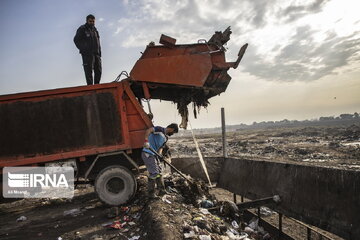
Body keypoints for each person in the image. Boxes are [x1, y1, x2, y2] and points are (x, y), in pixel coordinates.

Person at [142, 123, 178, 198]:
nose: (172, 134)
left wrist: (160, 155)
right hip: (147, 153)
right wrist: (146, 141)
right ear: (171, 129)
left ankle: (162, 191)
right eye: (173, 132)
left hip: (154, 155)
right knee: (154, 173)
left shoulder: (165, 138)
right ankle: (150, 193)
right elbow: (148, 130)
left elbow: (161, 147)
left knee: (159, 172)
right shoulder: (159, 130)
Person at [74, 14, 102, 85]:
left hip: (96, 54)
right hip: (87, 55)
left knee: (98, 71)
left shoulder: (95, 30)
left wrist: (99, 53)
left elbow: (98, 42)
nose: (92, 23)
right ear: (87, 21)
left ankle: (97, 86)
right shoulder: (82, 29)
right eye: (90, 21)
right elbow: (76, 40)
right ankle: (90, 87)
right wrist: (84, 49)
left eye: (93, 21)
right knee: (88, 72)